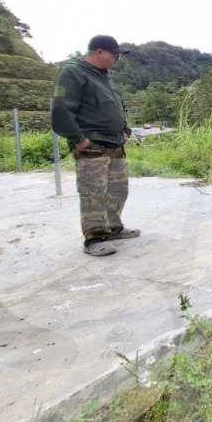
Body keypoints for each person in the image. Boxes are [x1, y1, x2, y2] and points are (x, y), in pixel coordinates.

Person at [51, 35, 140, 256]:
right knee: (93, 192)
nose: (117, 58)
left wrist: (124, 128)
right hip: (92, 145)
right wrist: (78, 138)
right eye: (114, 54)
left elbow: (113, 104)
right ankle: (94, 238)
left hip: (114, 143)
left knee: (118, 189)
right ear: (99, 52)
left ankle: (113, 227)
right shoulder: (73, 72)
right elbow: (61, 110)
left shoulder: (104, 75)